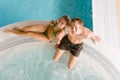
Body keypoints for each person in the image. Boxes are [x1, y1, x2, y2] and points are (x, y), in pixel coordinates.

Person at [4, 15, 70, 42]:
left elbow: (59, 41)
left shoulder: (60, 33)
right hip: (46, 28)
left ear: (65, 26)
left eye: (62, 23)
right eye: (60, 20)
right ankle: (20, 30)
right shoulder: (57, 22)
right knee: (30, 27)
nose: (59, 23)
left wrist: (58, 45)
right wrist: (52, 22)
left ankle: (11, 32)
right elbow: (52, 21)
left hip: (46, 37)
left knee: (29, 33)